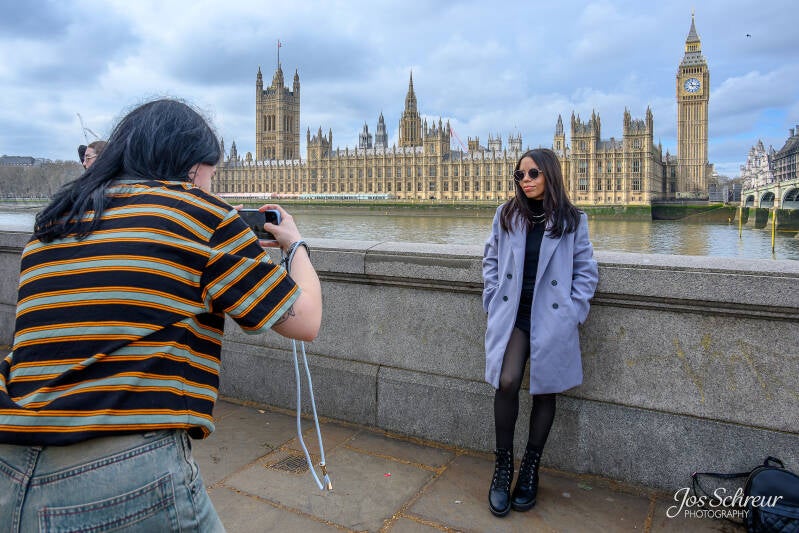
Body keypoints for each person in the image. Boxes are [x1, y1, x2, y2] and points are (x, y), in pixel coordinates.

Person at [0, 98, 322, 531]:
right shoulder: (200, 215)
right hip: (119, 471)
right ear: (192, 166)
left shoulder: (54, 224)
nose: (212, 184)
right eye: (212, 172)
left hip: (10, 463)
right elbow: (304, 319)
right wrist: (296, 244)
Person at [482, 148, 598, 517]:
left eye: (532, 173)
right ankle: (503, 468)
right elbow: (490, 259)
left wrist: (572, 312)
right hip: (515, 313)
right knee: (508, 381)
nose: (526, 181)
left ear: (550, 174)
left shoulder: (572, 220)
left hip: (551, 317)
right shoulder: (507, 214)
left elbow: (586, 271)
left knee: (545, 390)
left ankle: (530, 470)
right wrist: (492, 298)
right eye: (520, 175)